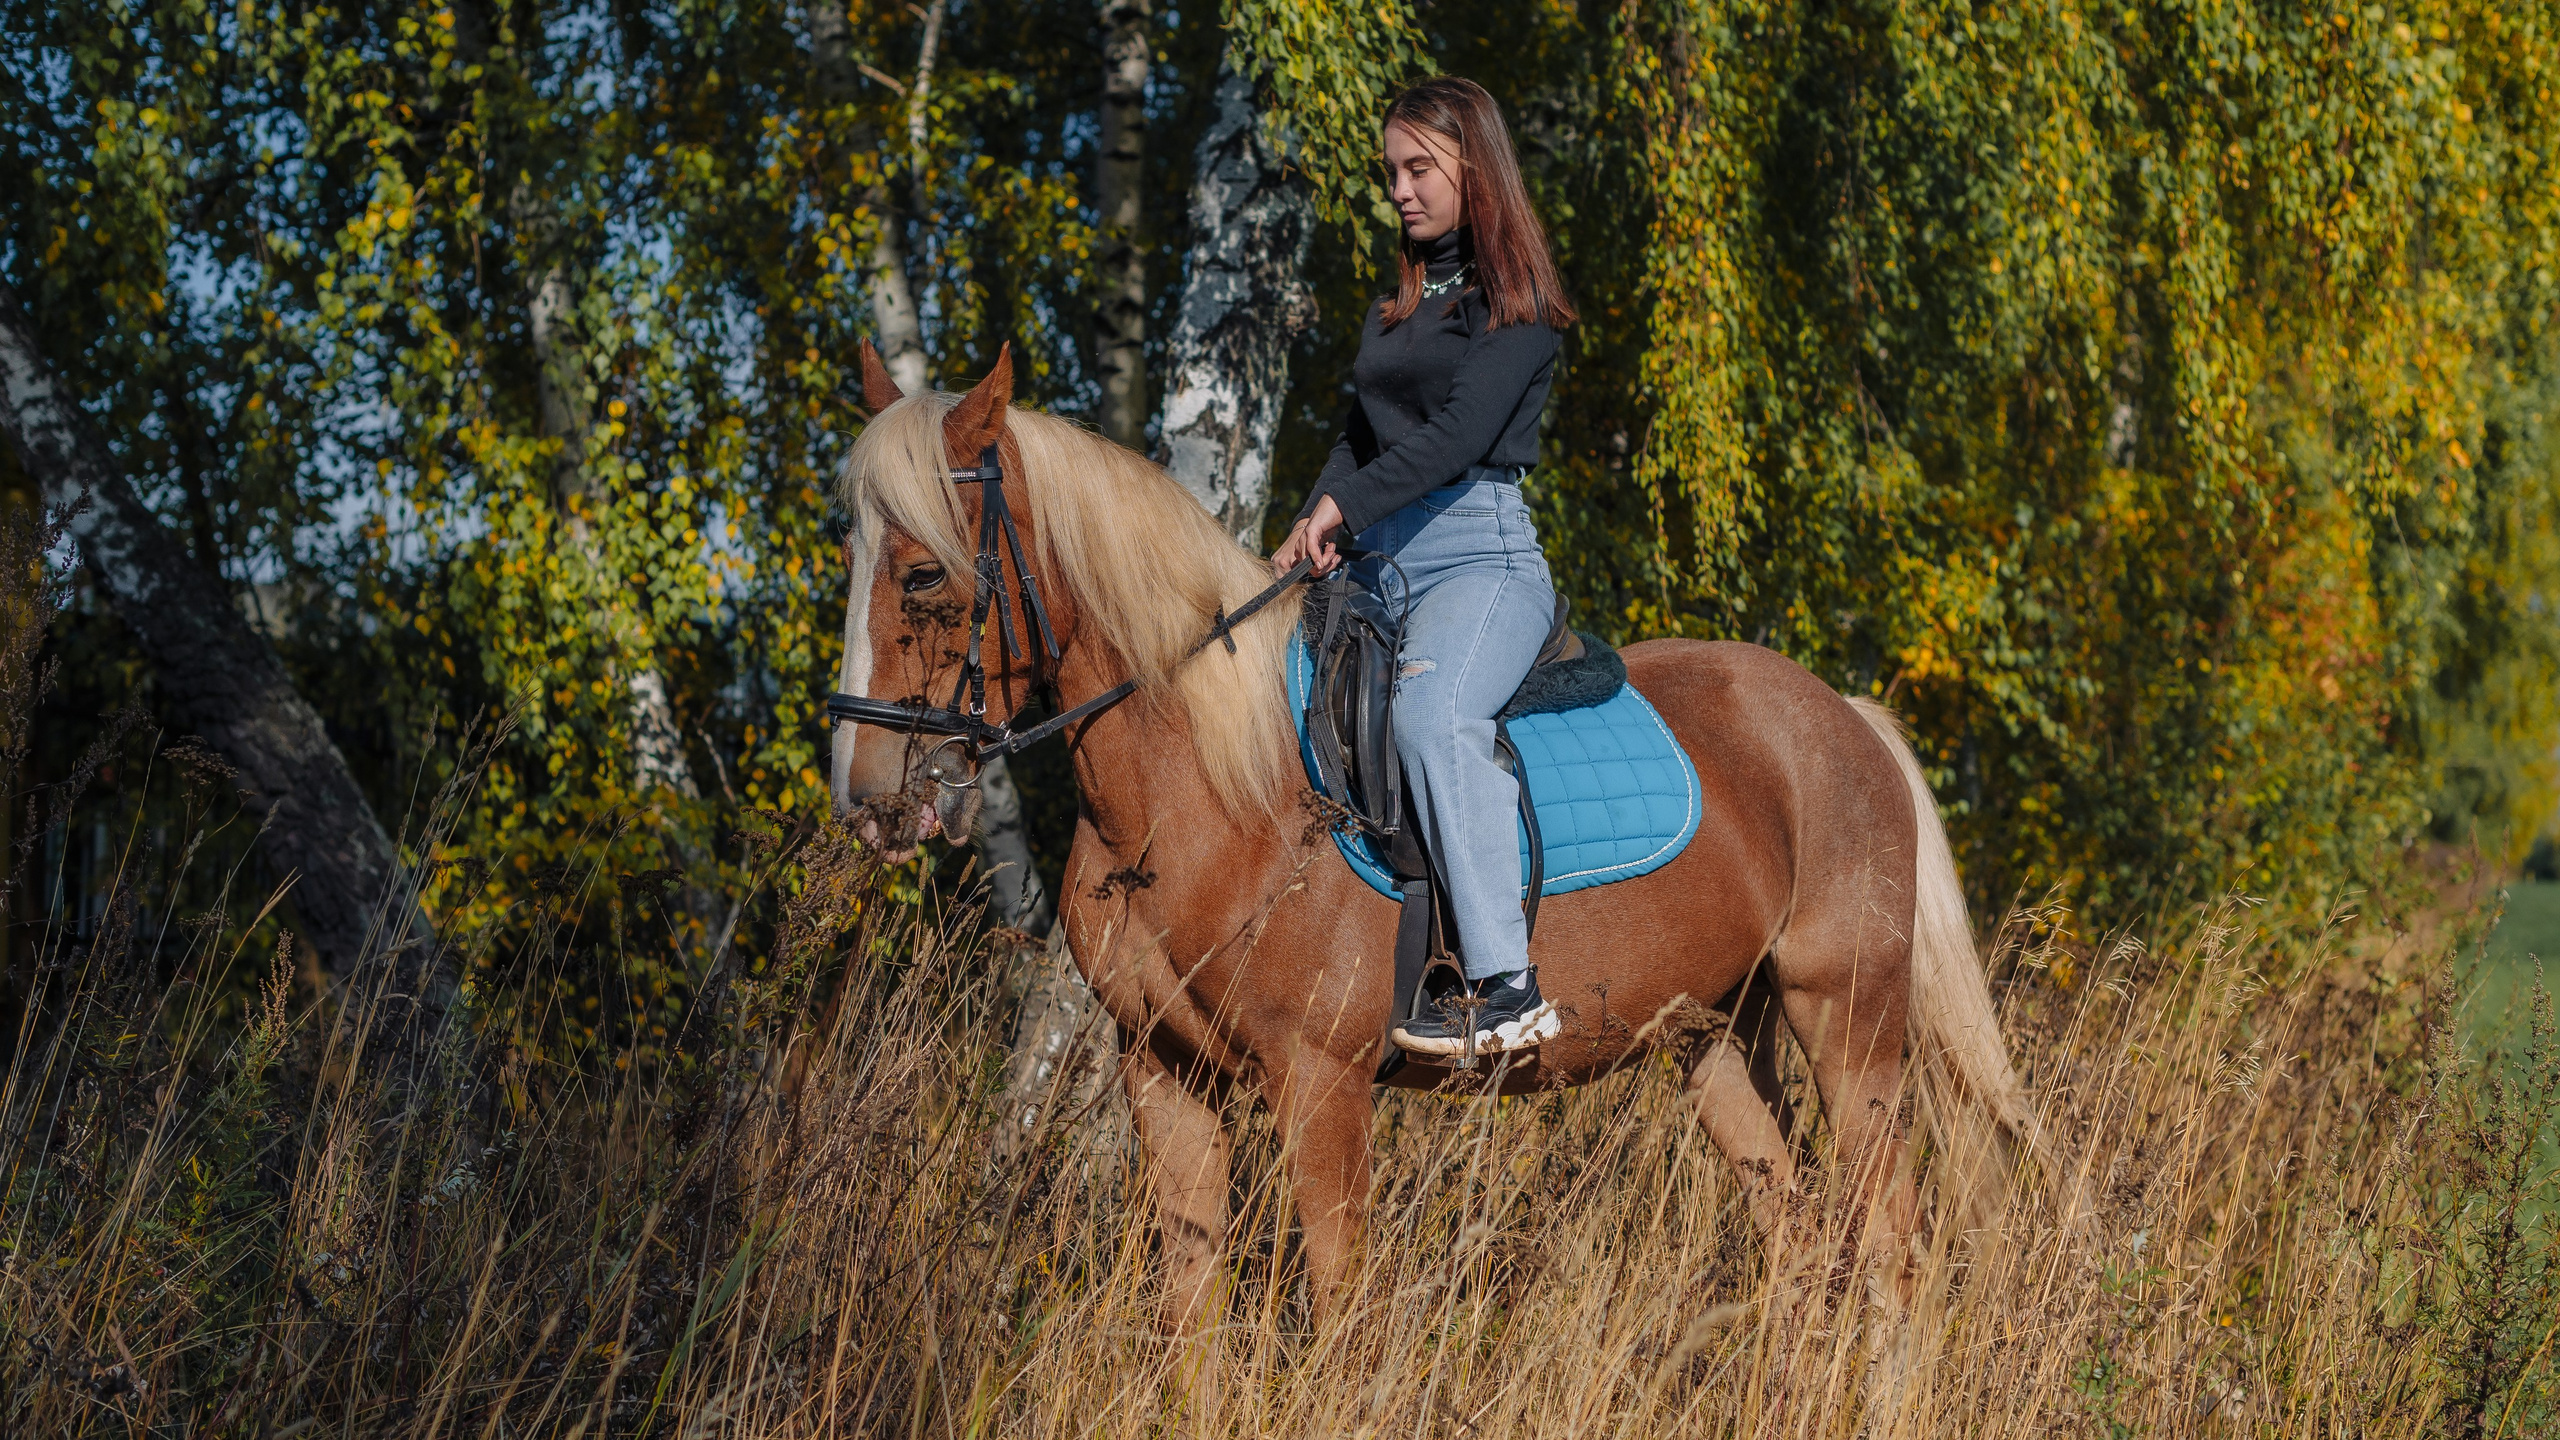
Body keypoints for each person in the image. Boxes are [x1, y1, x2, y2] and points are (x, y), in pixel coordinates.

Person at [1271, 76, 1575, 1056]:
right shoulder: (1397, 307)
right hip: (1378, 565)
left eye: (1418, 170)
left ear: (1474, 170)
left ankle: (1503, 983)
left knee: (1434, 714)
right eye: (1389, 172)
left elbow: (1453, 439)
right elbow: (1360, 439)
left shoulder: (1516, 307)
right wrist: (1308, 522)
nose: (1398, 191)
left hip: (1480, 563)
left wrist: (1342, 508)